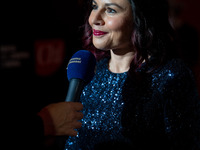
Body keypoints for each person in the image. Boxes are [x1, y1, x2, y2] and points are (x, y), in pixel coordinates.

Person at [64, 0, 200, 149]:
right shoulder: (91, 72)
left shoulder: (171, 75)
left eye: (111, 10)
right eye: (95, 6)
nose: (94, 19)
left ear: (140, 18)